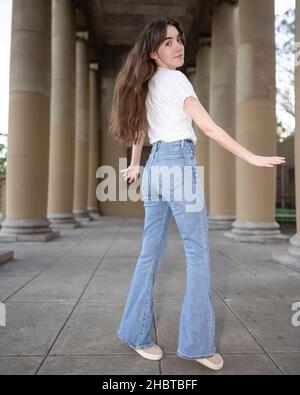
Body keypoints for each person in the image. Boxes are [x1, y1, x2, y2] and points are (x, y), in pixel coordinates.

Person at [109, 17, 285, 371]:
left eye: (179, 40)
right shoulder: (175, 79)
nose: (178, 47)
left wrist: (134, 164)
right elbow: (207, 126)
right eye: (168, 42)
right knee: (198, 254)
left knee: (149, 254)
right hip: (178, 165)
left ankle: (136, 333)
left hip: (156, 167)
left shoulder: (148, 82)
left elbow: (141, 130)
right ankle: (199, 345)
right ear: (154, 52)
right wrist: (250, 155)